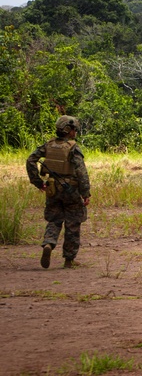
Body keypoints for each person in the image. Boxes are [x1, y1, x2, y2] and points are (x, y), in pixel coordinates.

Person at [25, 115, 91, 269]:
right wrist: (85, 193)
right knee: (72, 224)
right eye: (74, 129)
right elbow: (81, 172)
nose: (75, 132)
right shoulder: (73, 148)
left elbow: (31, 160)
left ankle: (48, 243)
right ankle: (69, 260)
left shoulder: (48, 145)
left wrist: (38, 182)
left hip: (52, 188)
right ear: (68, 130)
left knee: (54, 220)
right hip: (71, 190)